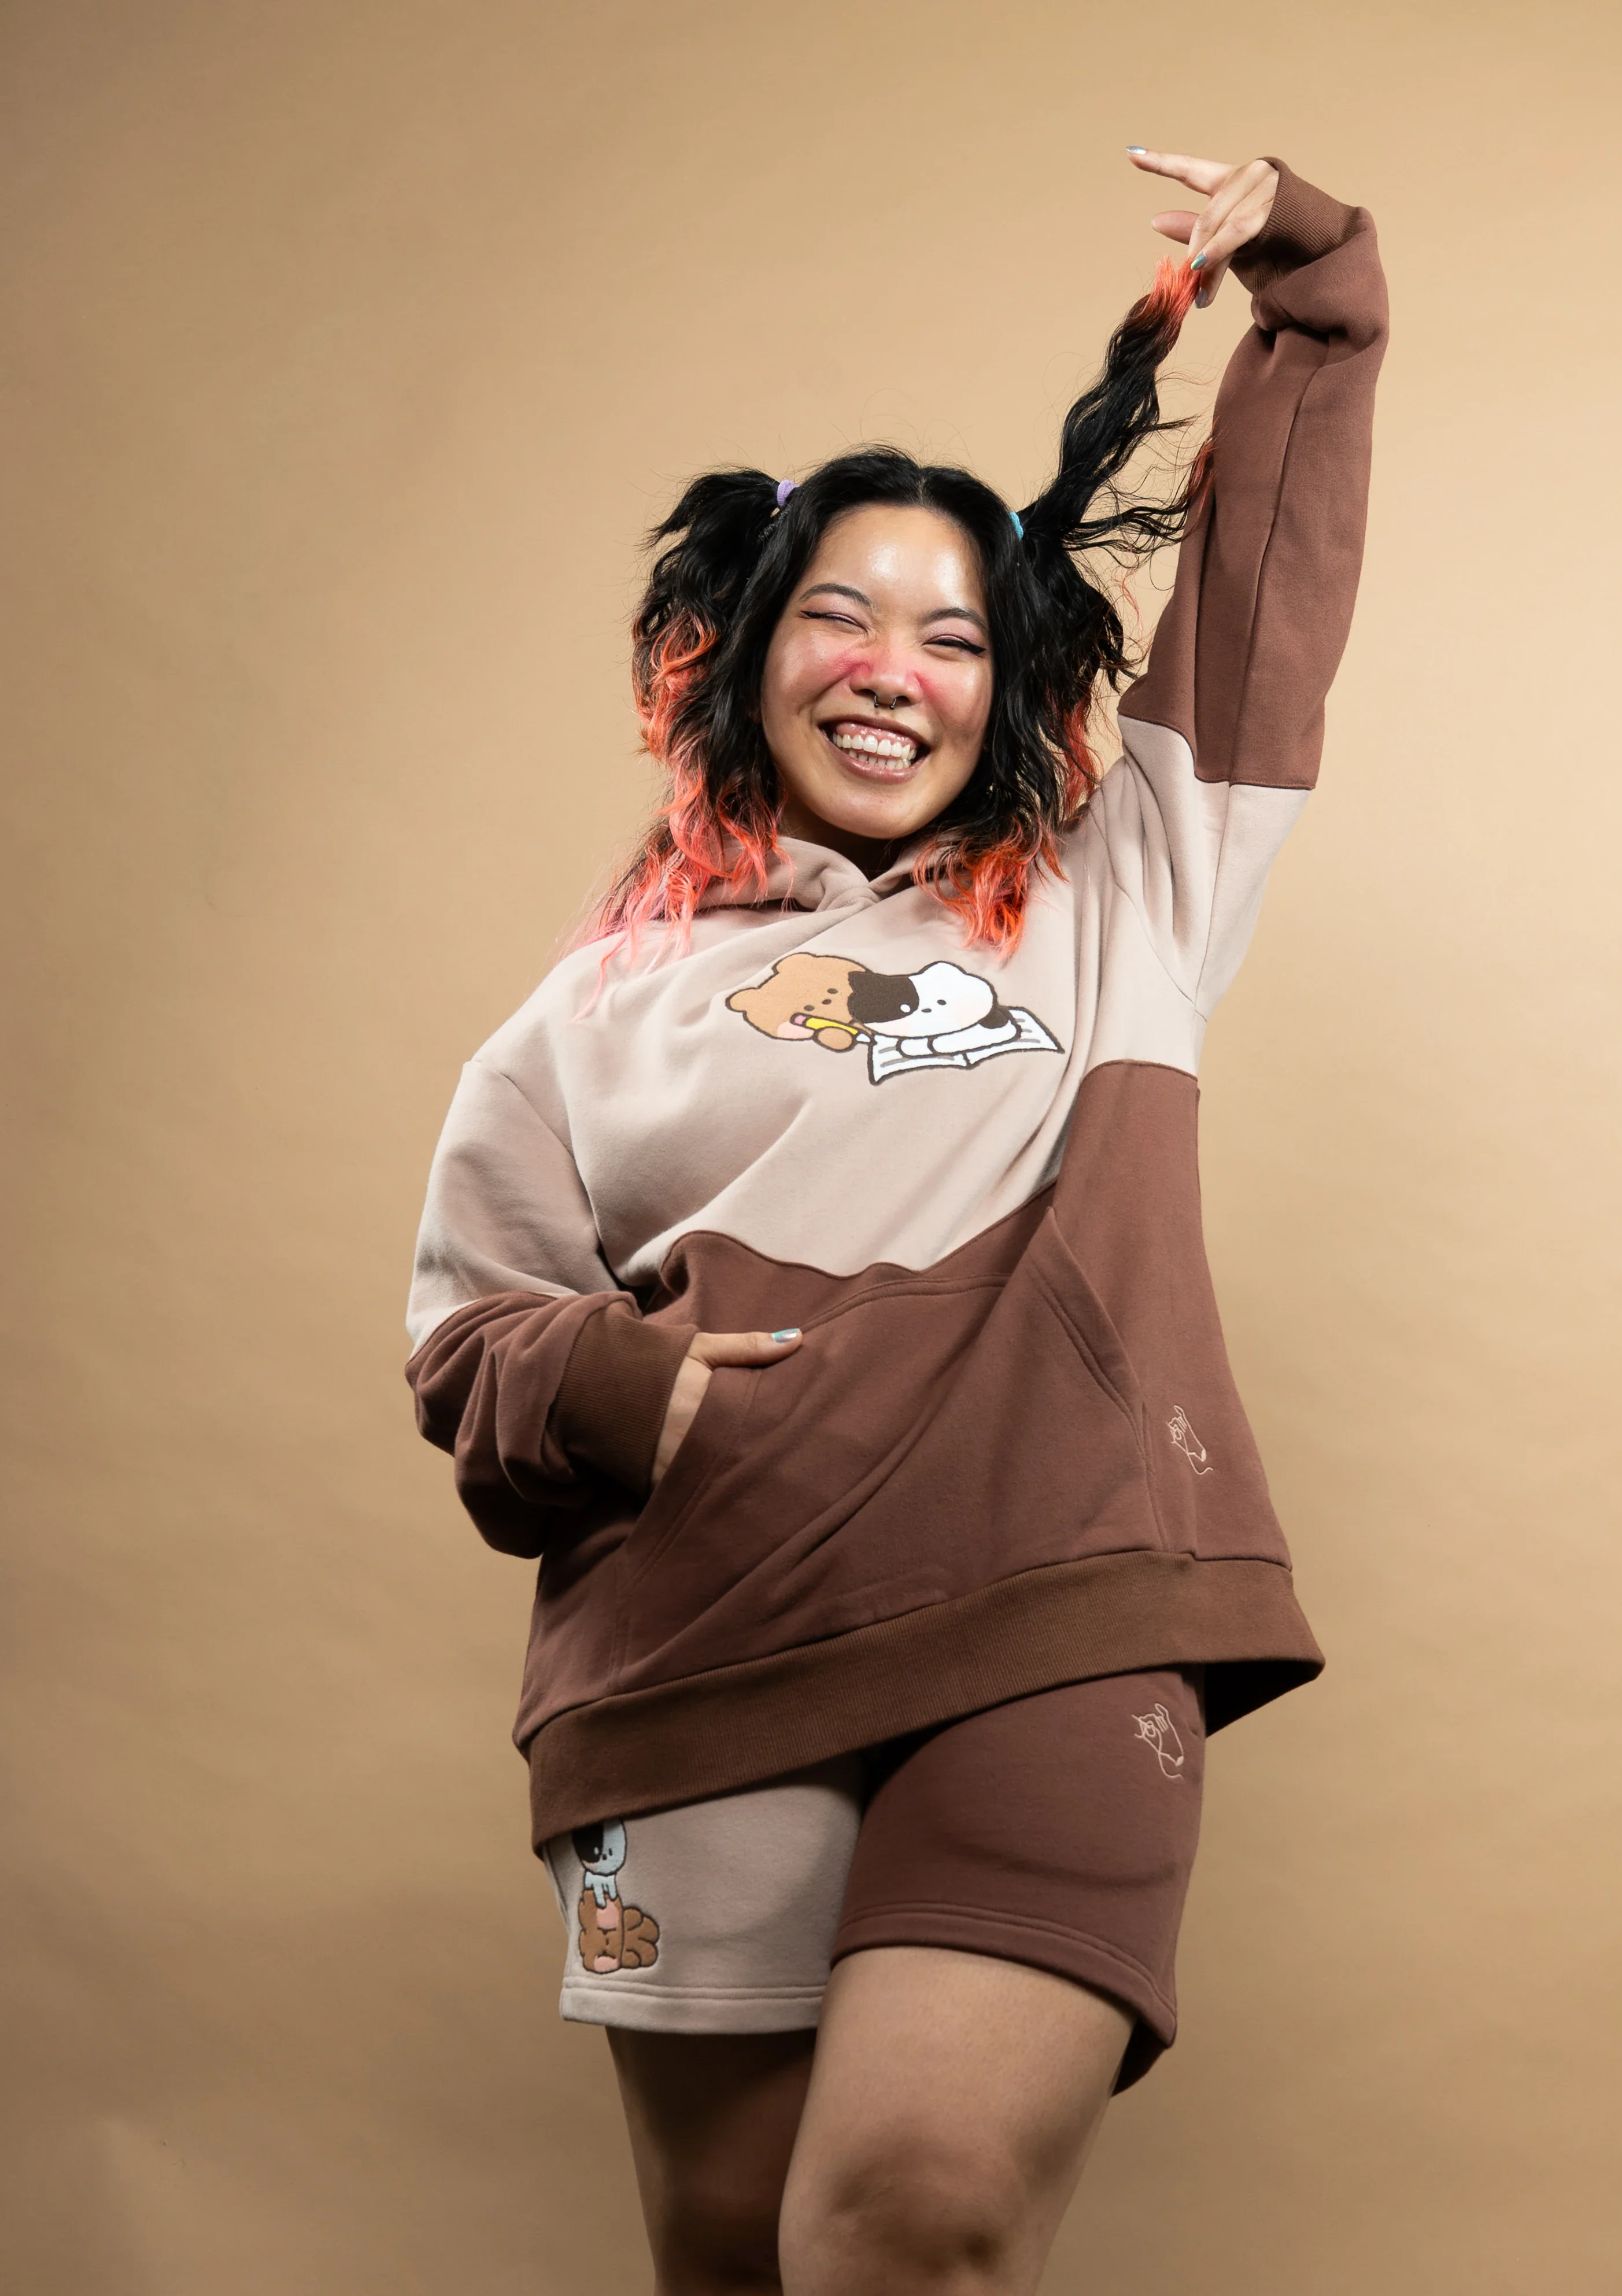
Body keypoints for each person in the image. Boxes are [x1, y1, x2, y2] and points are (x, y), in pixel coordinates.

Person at [407, 143, 1386, 2296]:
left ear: (1002, 682)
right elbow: (467, 1351)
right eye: (838, 614)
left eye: (952, 634)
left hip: (1056, 1615)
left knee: (911, 2224)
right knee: (736, 2259)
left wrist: (1315, 290)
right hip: (696, 1656)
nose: (891, 669)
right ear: (746, 655)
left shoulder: (1127, 895)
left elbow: (1265, 589)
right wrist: (630, 1393)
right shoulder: (582, 1015)